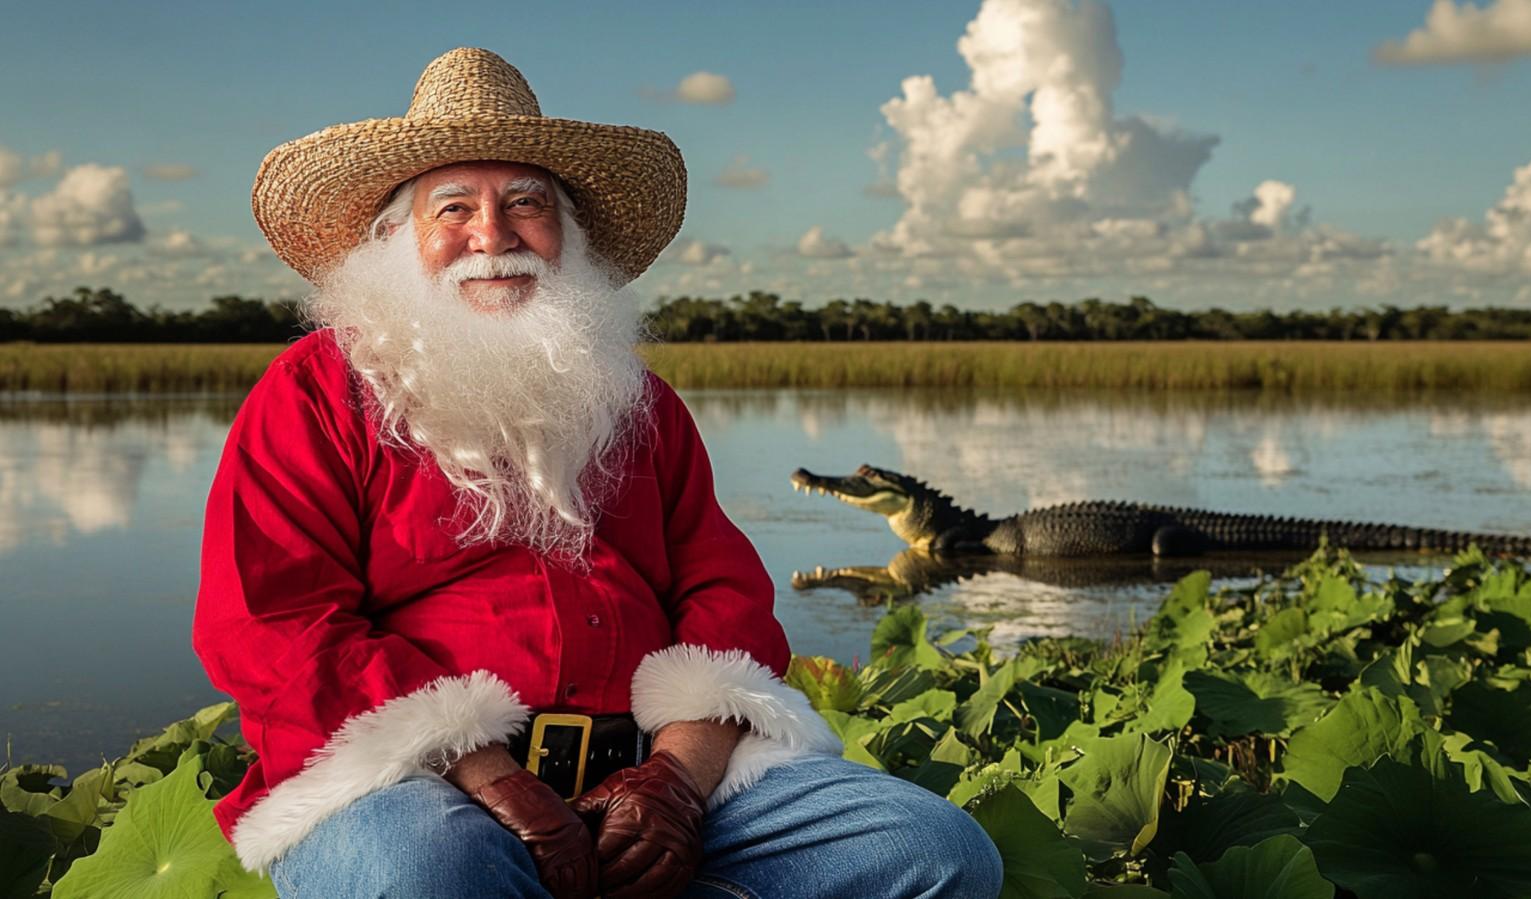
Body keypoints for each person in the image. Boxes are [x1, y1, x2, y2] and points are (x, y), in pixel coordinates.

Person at [192, 47, 1003, 899]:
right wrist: (495, 776)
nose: (494, 234)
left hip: (652, 771)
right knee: (435, 872)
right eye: (454, 207)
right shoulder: (314, 393)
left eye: (527, 204)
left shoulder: (635, 398)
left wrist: (675, 784)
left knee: (936, 852)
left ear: (568, 233)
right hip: (413, 779)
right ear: (398, 239)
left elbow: (724, 594)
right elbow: (273, 624)